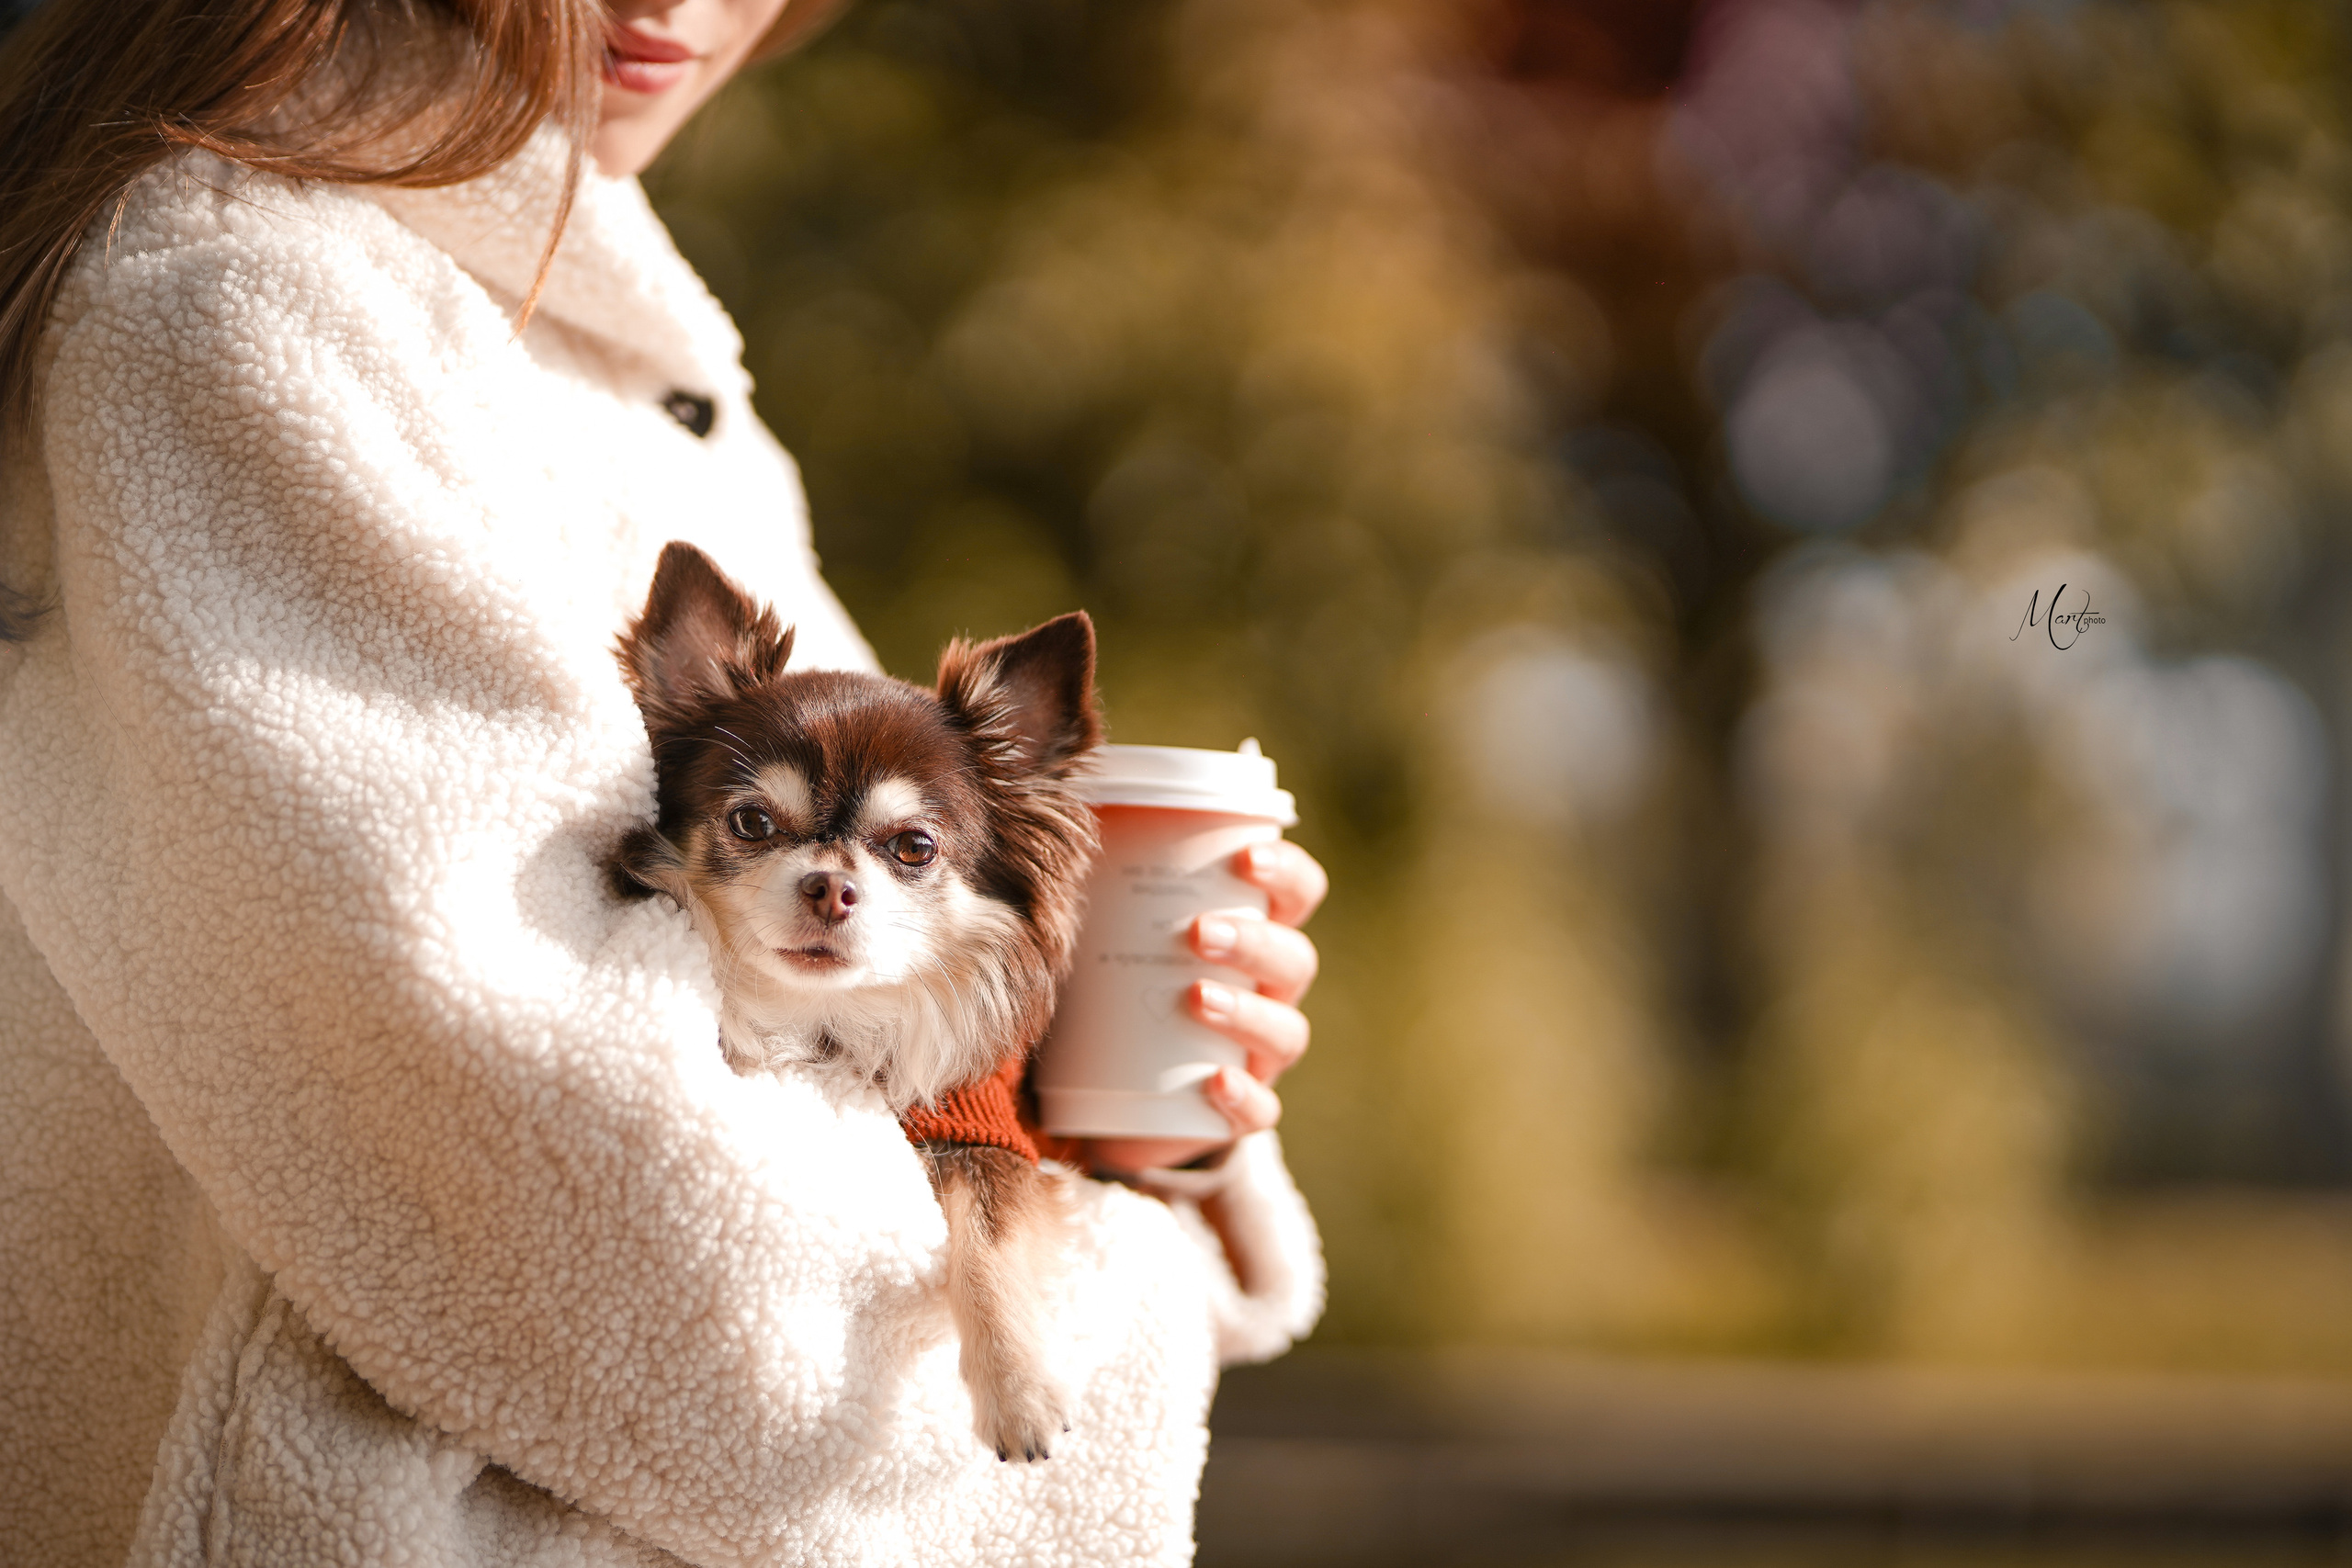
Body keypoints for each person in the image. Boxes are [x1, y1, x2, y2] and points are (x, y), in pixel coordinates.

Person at [0, 0, 1329, 1562]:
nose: (675, 9)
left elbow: (888, 1048)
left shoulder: (678, 407)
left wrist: (1135, 1087)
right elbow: (603, 1232)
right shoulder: (251, 309)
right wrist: (1127, 1304)